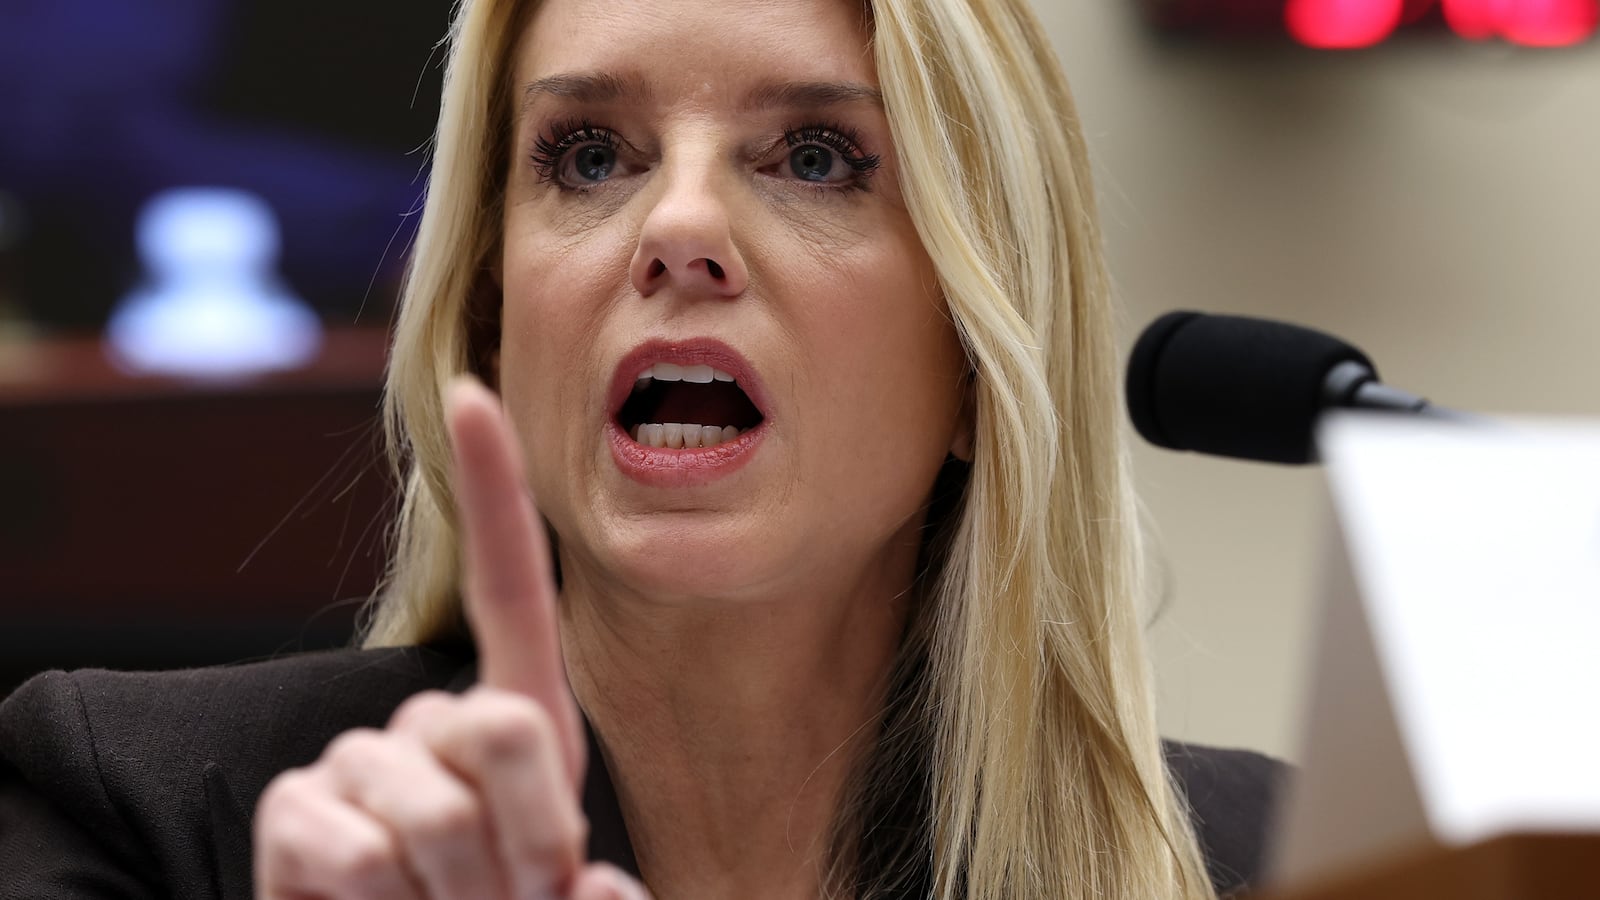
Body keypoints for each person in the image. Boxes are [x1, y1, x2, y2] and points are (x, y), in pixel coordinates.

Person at [0, 0, 1285, 897]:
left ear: (977, 358)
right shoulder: (138, 808)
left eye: (818, 156)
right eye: (592, 154)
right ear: (495, 324)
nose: (676, 224)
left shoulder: (1290, 860)